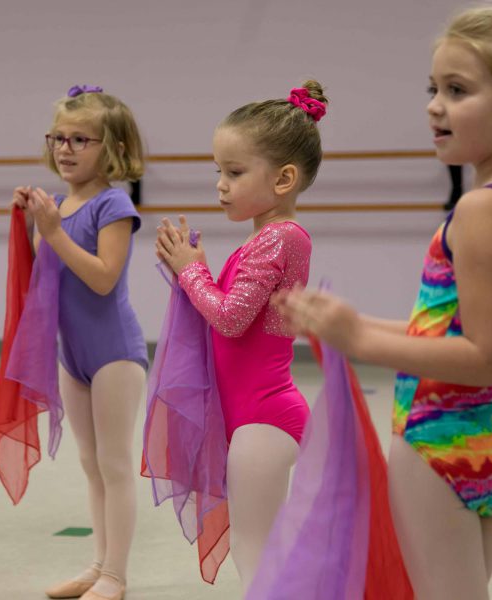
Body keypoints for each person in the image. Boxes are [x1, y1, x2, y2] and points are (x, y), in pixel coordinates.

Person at [275, 8, 492, 599]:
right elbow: (456, 328)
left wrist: (361, 340)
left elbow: (481, 355)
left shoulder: (482, 209)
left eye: (457, 90)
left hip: (443, 442)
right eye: (434, 88)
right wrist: (350, 322)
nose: (434, 105)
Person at [152, 81, 327, 592]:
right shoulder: (263, 238)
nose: (221, 186)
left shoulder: (282, 236)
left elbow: (229, 318)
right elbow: (227, 319)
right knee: (259, 551)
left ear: (284, 179)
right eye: (218, 172)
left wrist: (191, 272)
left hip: (264, 419)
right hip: (251, 418)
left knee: (256, 554)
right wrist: (192, 270)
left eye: (234, 172)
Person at [12, 84, 147, 600]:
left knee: (114, 465)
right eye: (58, 138)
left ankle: (117, 574)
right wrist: (32, 227)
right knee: (91, 466)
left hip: (115, 354)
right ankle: (99, 563)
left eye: (80, 140)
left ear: (111, 147)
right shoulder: (60, 206)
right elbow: (43, 279)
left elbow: (103, 278)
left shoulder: (114, 204)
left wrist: (53, 230)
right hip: (74, 358)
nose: (65, 149)